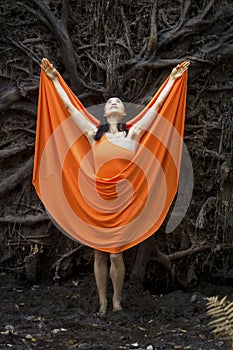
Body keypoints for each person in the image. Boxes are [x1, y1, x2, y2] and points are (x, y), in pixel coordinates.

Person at [41, 58, 189, 315]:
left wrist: (173, 79)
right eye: (109, 102)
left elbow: (157, 108)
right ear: (105, 111)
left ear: (122, 113)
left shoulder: (132, 134)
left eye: (117, 103)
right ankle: (102, 302)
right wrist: (54, 79)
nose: (112, 103)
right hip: (98, 200)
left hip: (122, 202)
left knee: (115, 255)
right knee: (99, 254)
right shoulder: (93, 134)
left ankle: (117, 300)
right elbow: (68, 107)